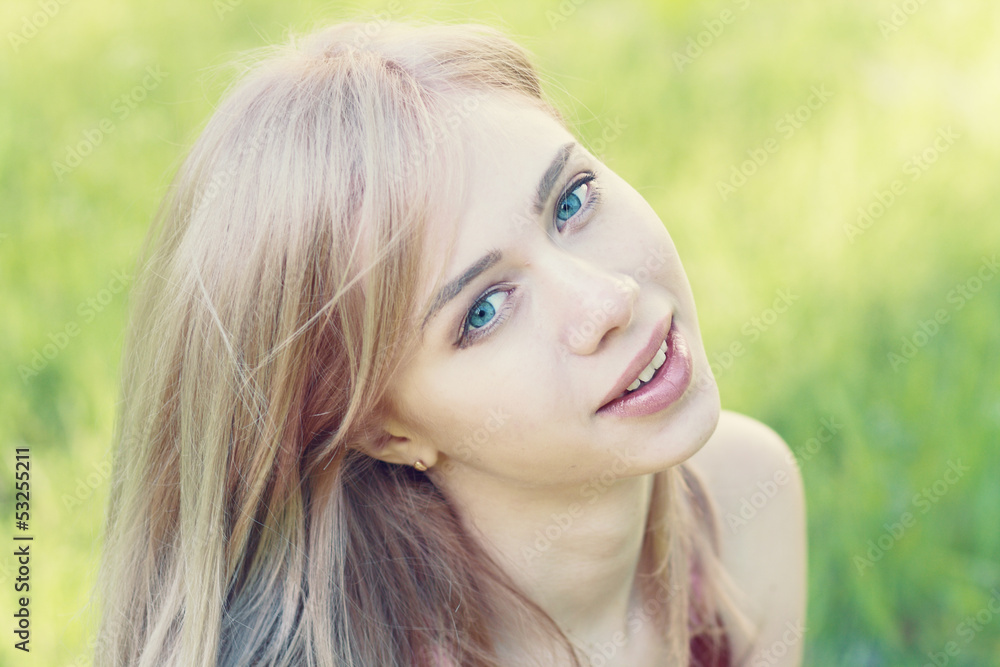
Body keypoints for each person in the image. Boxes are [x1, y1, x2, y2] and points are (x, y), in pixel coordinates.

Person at [93, 19, 806, 667]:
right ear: (386, 431)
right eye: (485, 310)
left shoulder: (744, 493)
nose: (607, 301)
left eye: (571, 200)